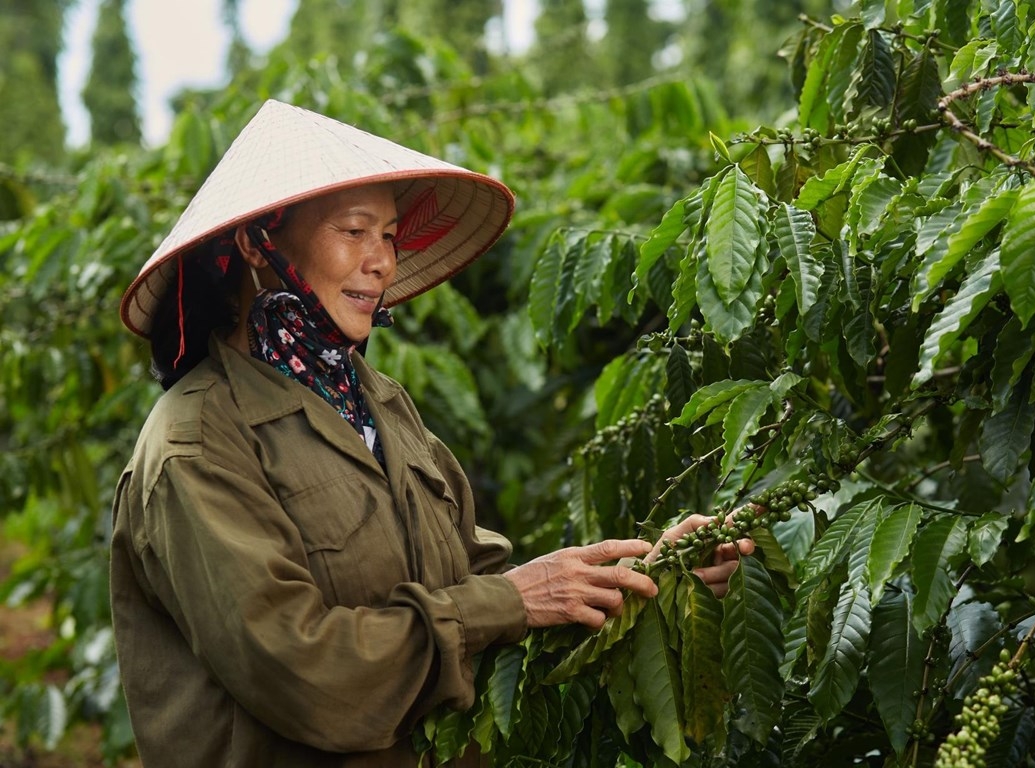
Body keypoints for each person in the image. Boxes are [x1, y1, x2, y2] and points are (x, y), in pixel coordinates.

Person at [109, 99, 750, 768]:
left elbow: (490, 603)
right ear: (255, 244)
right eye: (354, 231)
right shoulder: (197, 444)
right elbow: (301, 672)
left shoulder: (380, 405)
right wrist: (507, 602)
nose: (382, 260)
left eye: (388, 235)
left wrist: (649, 578)